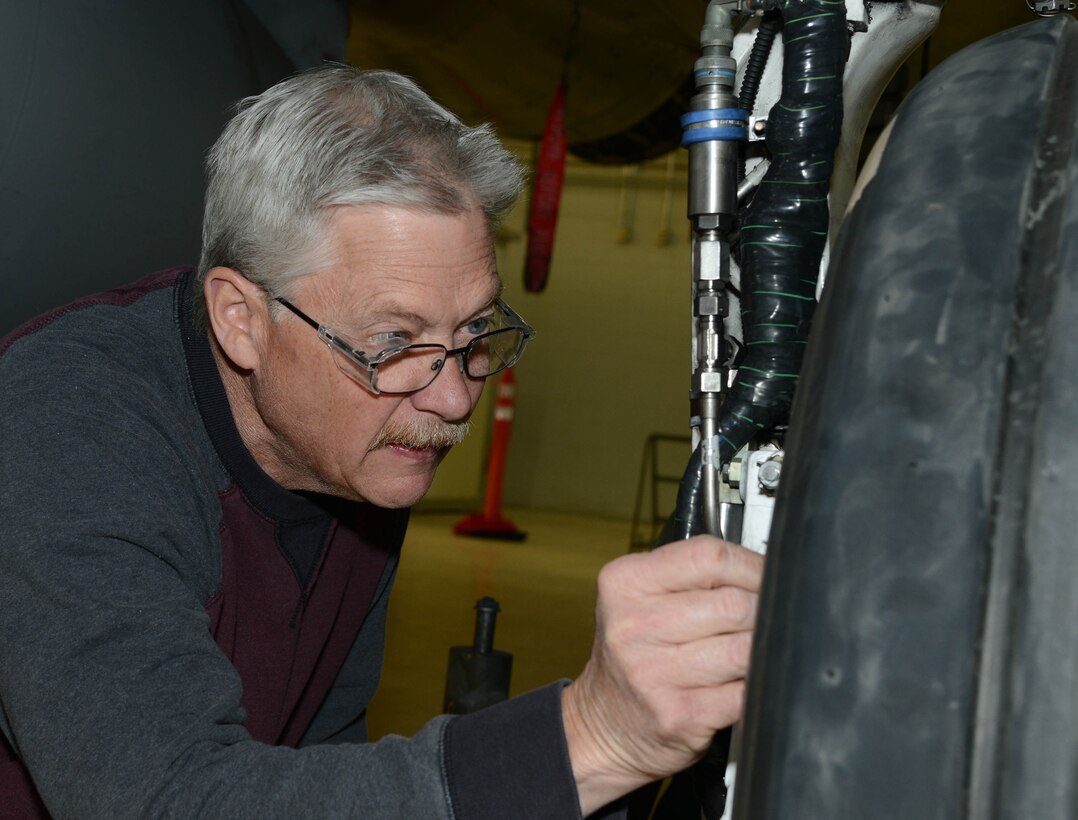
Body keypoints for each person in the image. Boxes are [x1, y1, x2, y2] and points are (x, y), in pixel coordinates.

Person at [0, 65, 763, 819]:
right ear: (240, 318)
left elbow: (321, 757)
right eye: (393, 339)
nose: (455, 393)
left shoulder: (358, 448)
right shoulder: (67, 426)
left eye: (472, 332)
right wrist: (591, 740)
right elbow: (168, 801)